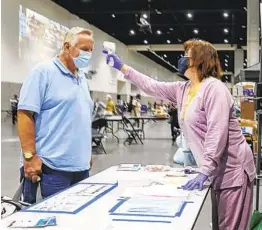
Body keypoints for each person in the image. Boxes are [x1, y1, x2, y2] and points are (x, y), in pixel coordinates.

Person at [105, 39, 256, 229]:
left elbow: (216, 134)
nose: (181, 58)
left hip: (233, 170)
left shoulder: (214, 89)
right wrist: (123, 67)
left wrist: (204, 170)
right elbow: (152, 86)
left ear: (199, 60)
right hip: (216, 171)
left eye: (186, 55)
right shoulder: (183, 89)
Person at [17, 27, 94, 204]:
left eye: (91, 50)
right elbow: (24, 115)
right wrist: (30, 158)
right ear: (67, 47)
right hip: (50, 168)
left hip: (80, 168)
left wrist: (86, 153)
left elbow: (79, 117)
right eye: (84, 49)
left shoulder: (82, 78)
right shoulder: (42, 72)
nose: (88, 54)